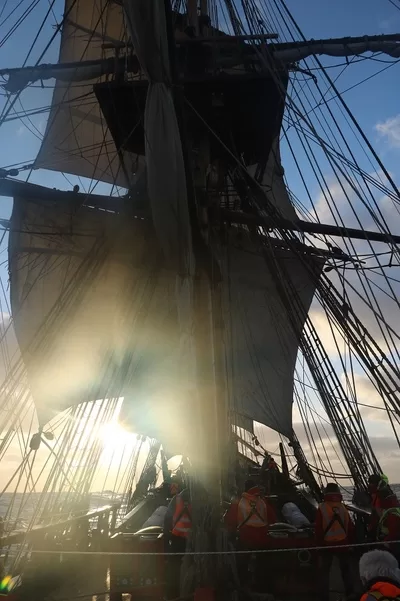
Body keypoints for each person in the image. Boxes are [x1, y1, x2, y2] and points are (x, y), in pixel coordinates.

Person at [315, 482, 355, 601]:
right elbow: (350, 527)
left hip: (327, 544)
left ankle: (324, 597)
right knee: (346, 570)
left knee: (324, 572)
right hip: (343, 543)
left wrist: (319, 545)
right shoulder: (342, 507)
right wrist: (350, 543)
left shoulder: (322, 507)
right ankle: (350, 593)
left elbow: (318, 529)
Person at [224, 479, 276, 548]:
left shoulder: (239, 503)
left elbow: (230, 521)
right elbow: (273, 520)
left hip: (245, 540)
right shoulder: (263, 502)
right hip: (263, 539)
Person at [368, 475, 399, 541]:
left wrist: (386, 542)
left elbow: (395, 529)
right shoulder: (376, 497)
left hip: (389, 536)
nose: (369, 485)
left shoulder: (385, 499)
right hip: (381, 530)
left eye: (371, 483)